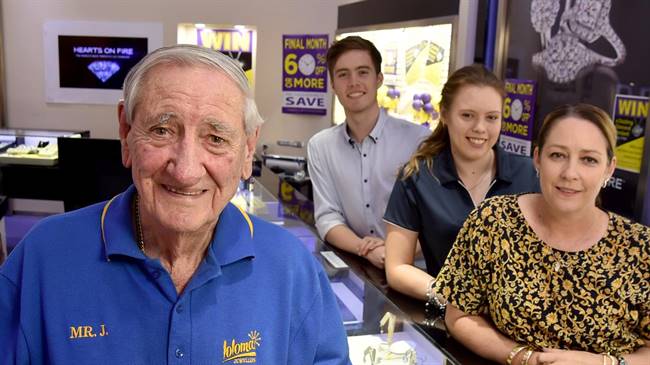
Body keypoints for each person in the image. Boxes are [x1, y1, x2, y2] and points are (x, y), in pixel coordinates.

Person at [0, 45, 350, 364]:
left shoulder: (293, 271)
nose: (185, 171)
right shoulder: (42, 261)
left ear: (247, 149)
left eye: (215, 138)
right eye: (162, 131)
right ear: (125, 132)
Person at [436, 104, 650, 365]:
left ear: (609, 168)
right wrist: (524, 358)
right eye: (558, 155)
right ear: (537, 158)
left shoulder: (640, 247)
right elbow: (458, 316)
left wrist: (603, 363)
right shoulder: (494, 221)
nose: (570, 173)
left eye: (589, 160)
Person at [384, 65, 539, 301]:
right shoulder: (416, 177)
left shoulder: (530, 174)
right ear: (444, 114)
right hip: (452, 318)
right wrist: (452, 296)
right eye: (467, 115)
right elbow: (397, 269)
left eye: (491, 118)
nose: (480, 128)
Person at [308, 36, 430, 269]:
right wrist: (366, 250)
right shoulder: (319, 146)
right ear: (333, 85)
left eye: (362, 72)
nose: (353, 82)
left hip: (417, 272)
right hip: (360, 268)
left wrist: (392, 254)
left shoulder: (419, 141)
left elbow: (434, 221)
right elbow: (327, 217)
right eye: (343, 74)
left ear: (379, 79)